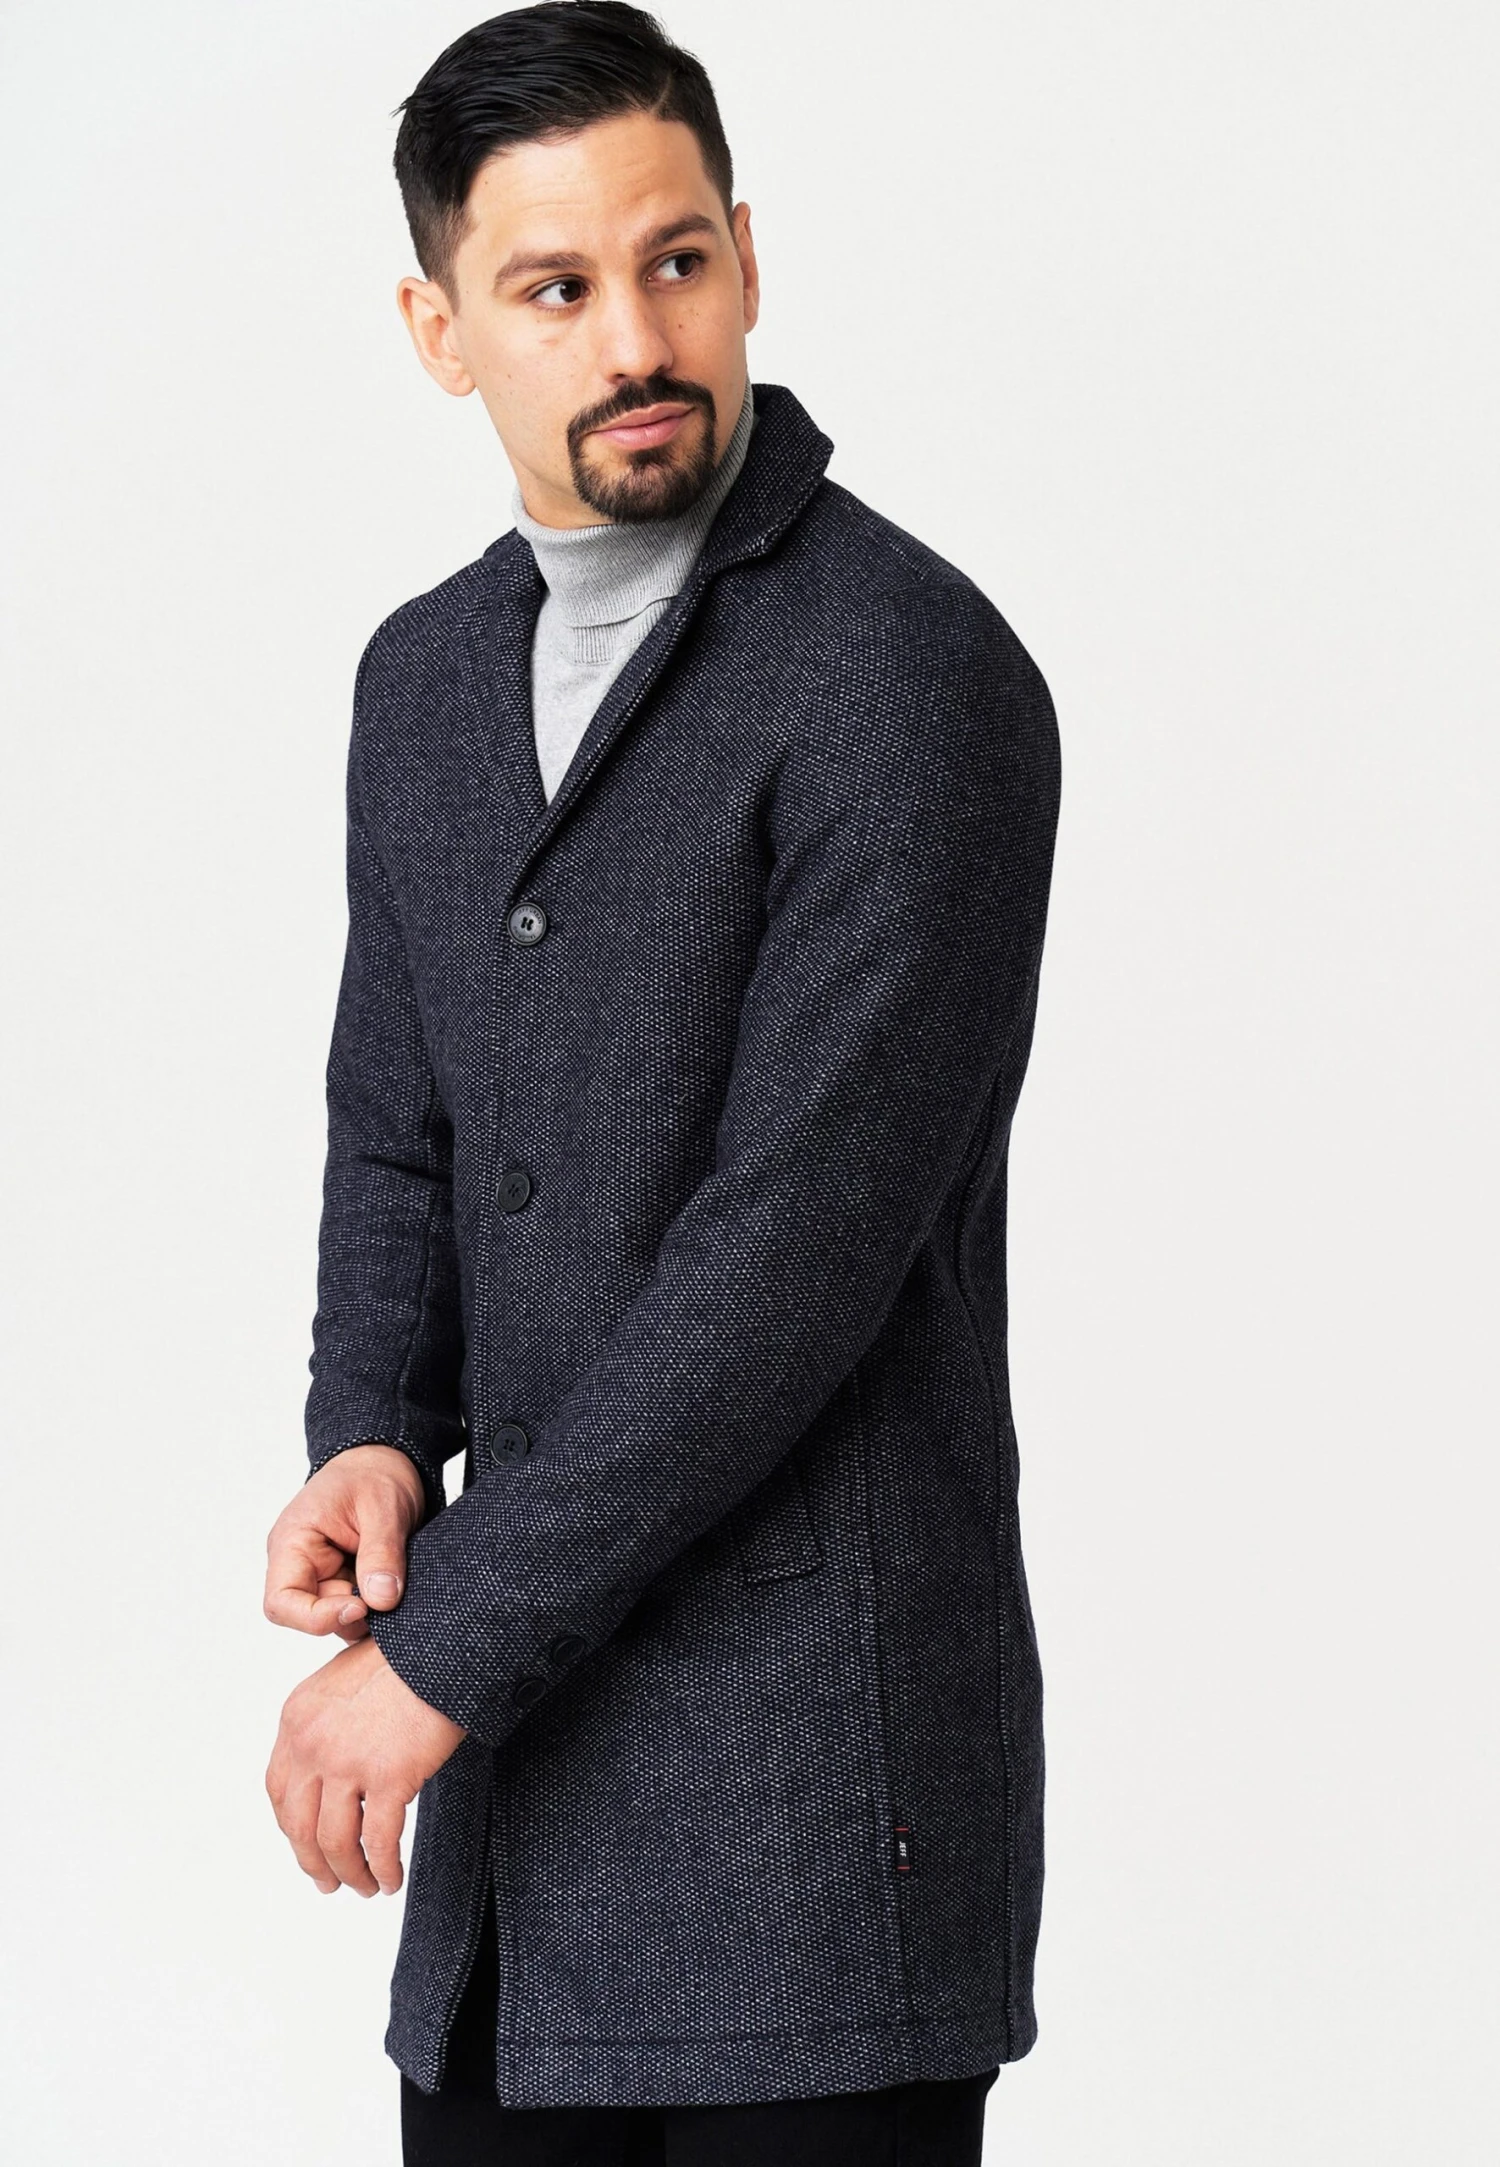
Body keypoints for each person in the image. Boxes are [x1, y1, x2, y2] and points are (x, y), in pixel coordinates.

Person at [261, 6, 1062, 2162]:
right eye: (555, 288)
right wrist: (367, 1421)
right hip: (521, 1844)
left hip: (815, 1832)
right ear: (441, 332)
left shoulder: (910, 675)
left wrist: (437, 1655)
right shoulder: (425, 682)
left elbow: (784, 1262)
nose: (637, 340)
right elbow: (397, 1127)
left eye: (676, 261)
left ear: (747, 257)